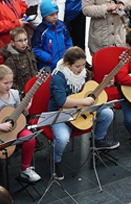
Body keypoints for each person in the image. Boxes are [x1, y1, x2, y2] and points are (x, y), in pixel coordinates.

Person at [48, 47, 119, 179]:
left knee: (108, 113)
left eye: (84, 65)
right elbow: (61, 101)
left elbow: (89, 89)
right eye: (78, 66)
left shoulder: (83, 73)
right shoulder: (58, 77)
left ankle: (98, 140)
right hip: (61, 114)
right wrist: (84, 101)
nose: (82, 69)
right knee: (63, 138)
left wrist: (104, 84)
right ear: (67, 64)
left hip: (80, 111)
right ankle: (55, 160)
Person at [0, 65, 40, 183]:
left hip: (11, 131)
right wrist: (0, 126)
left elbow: (18, 118)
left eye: (11, 82)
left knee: (30, 139)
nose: (9, 86)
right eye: (5, 83)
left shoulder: (14, 94)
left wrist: (25, 110)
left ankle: (25, 169)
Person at [32, 0, 73, 69]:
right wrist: (48, 58)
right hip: (49, 66)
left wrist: (69, 53)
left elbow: (68, 40)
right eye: (51, 15)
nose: (55, 17)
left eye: (57, 13)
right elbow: (36, 49)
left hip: (64, 63)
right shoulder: (40, 31)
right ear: (44, 16)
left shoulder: (62, 26)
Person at [3, 26, 39, 94]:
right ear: (12, 43)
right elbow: (11, 81)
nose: (24, 43)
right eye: (20, 41)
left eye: (25, 39)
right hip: (22, 93)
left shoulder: (29, 51)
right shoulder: (11, 59)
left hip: (34, 89)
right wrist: (20, 93)